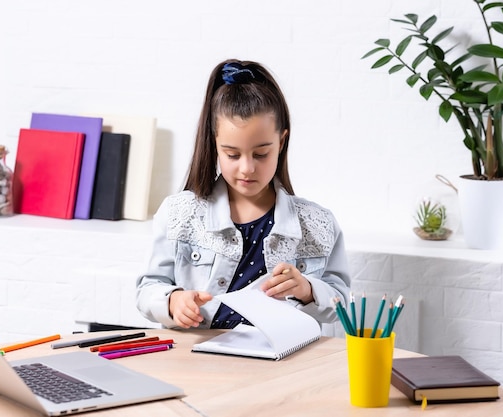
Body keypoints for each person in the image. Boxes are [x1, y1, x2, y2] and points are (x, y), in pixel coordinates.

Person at [136, 59, 351, 330]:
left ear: (281, 141)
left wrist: (307, 290)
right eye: (232, 154)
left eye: (261, 154)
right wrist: (174, 301)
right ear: (214, 143)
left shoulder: (317, 223)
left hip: (280, 365)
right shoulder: (179, 214)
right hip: (197, 363)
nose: (247, 168)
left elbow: (342, 301)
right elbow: (147, 288)